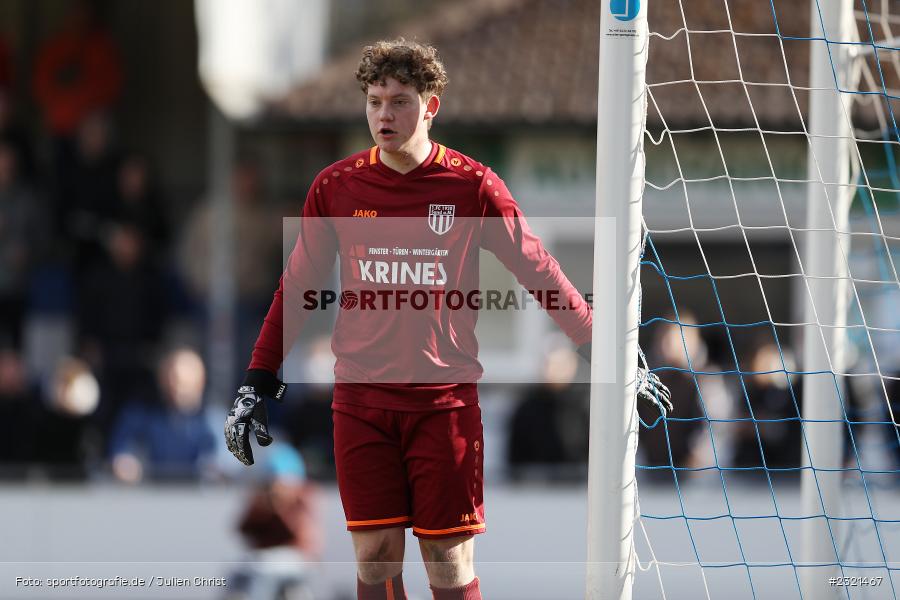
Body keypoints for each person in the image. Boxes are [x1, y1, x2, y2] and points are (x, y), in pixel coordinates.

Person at [224, 39, 672, 600]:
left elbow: (538, 269)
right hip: (362, 404)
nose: (384, 115)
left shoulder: (471, 186)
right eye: (374, 101)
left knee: (448, 561)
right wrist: (257, 379)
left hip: (443, 404)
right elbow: (297, 288)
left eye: (400, 101)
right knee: (375, 557)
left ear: (430, 106)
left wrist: (603, 347)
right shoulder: (335, 187)